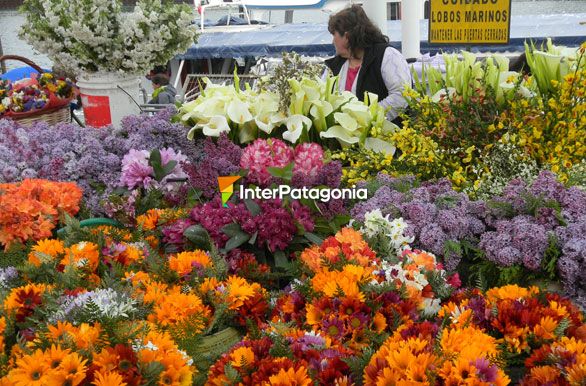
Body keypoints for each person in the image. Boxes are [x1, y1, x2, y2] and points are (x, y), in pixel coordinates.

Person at [325, 5, 411, 124]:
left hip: (384, 138)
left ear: (347, 36)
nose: (332, 41)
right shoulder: (334, 66)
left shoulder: (387, 55)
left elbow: (401, 95)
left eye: (334, 35)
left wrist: (367, 118)